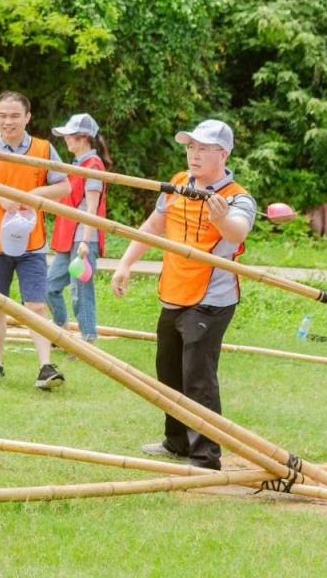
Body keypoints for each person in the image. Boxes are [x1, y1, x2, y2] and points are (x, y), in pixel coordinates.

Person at [110, 119, 256, 471]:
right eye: (191, 147)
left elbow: (237, 233)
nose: (194, 155)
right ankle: (176, 441)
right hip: (173, 292)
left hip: (210, 300)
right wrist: (125, 263)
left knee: (198, 378)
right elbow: (154, 225)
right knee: (169, 373)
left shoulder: (238, 197)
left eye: (203, 149)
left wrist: (221, 220)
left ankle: (206, 455)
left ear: (224, 153)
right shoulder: (177, 184)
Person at [0, 91, 71, 389]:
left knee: (36, 306)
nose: (8, 121)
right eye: (3, 116)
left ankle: (46, 366)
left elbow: (63, 186)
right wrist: (0, 198)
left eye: (15, 115)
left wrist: (33, 196)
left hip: (32, 242)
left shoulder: (43, 149)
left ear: (27, 117)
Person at [46, 113, 110, 342]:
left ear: (83, 138)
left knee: (80, 292)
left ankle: (88, 340)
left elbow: (93, 209)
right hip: (68, 238)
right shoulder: (77, 165)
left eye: (70, 136)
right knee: (48, 286)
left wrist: (85, 242)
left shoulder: (93, 166)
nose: (66, 140)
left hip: (84, 239)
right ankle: (61, 332)